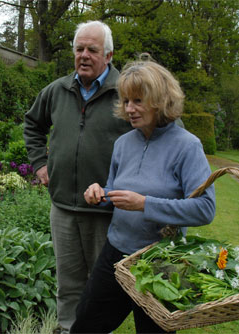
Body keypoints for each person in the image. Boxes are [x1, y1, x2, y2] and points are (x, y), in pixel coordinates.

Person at [70, 60, 216, 334]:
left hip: (159, 262)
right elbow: (115, 191)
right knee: (86, 325)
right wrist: (100, 193)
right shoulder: (124, 143)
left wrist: (145, 204)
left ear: (160, 100)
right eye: (126, 101)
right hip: (115, 255)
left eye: (138, 101)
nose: (129, 109)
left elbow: (205, 209)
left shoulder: (187, 146)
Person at [23, 21, 132, 333]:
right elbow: (32, 125)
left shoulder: (126, 93)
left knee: (104, 289)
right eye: (79, 49)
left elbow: (159, 132)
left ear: (108, 55)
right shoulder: (57, 91)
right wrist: (41, 163)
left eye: (92, 50)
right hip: (63, 209)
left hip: (107, 212)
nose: (84, 55)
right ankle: (68, 328)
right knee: (68, 284)